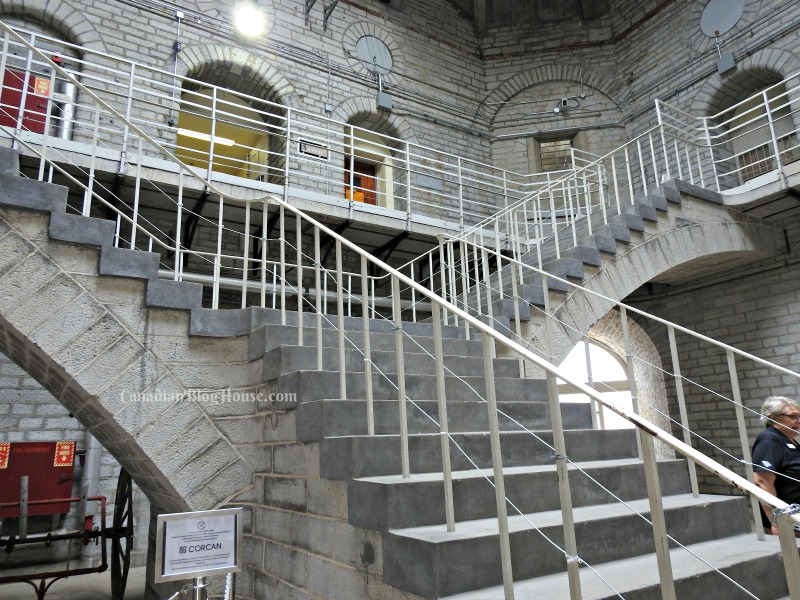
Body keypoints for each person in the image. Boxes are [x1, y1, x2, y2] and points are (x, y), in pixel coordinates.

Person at [752, 395, 800, 534]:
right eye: (793, 417)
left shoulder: (789, 440)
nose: (799, 421)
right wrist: (776, 522)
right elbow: (762, 482)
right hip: (788, 521)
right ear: (773, 417)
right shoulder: (769, 440)